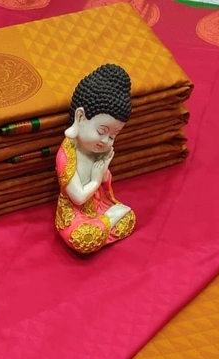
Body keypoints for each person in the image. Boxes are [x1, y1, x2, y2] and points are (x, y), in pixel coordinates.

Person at [55, 64, 136, 254]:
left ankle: (105, 222)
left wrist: (104, 175)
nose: (105, 140)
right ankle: (108, 220)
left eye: (113, 135)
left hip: (98, 206)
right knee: (81, 238)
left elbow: (105, 186)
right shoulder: (67, 154)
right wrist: (96, 179)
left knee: (129, 219)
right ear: (80, 117)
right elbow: (78, 197)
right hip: (74, 214)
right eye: (101, 131)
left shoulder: (98, 150)